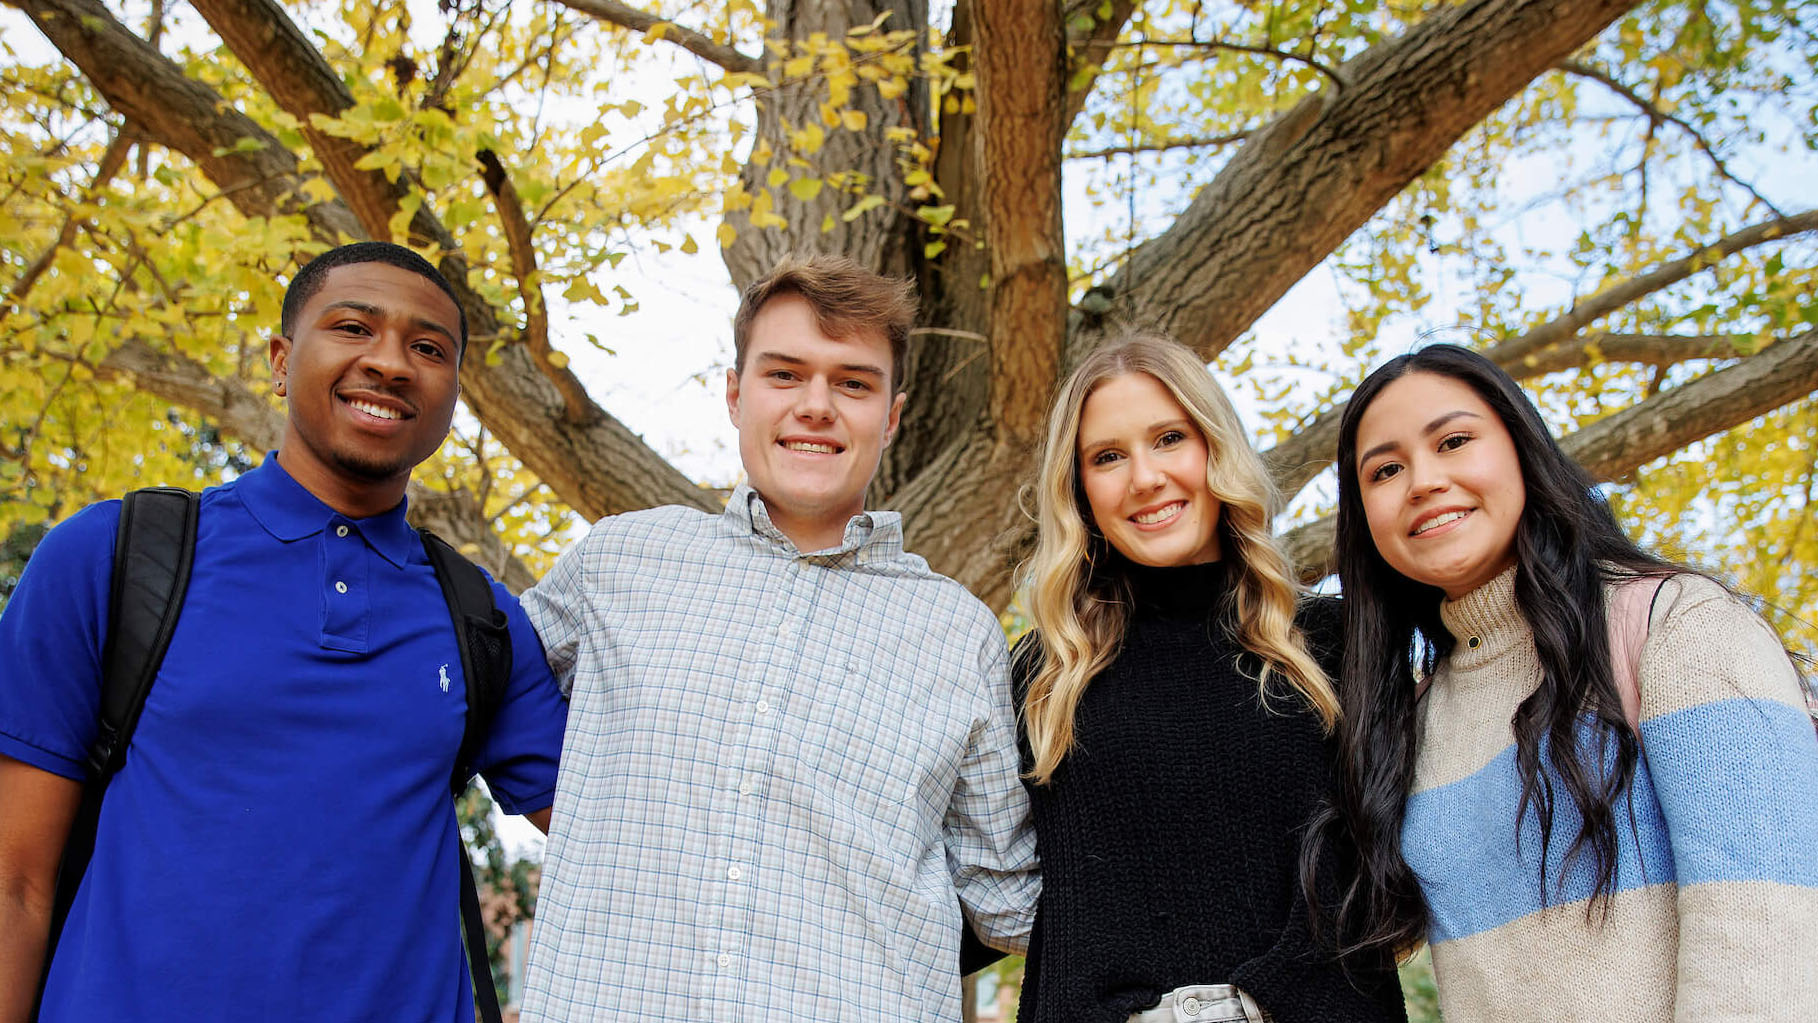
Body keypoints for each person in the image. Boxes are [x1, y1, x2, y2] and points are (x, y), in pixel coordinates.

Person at [0, 242, 568, 1022]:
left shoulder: (483, 618)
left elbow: (629, 832)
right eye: (353, 327)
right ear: (279, 360)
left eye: (429, 348)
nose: (392, 363)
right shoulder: (113, 556)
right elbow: (15, 882)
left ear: (453, 394)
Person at [516, 254, 1038, 1022]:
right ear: (736, 394)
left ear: (891, 414)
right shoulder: (619, 560)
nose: (816, 405)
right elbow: (473, 695)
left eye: (853, 382)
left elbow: (1009, 895)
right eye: (785, 374)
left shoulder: (958, 633)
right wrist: (570, 804)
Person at [1316, 343, 1818, 1020]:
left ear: (1522, 450)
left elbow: (1766, 930)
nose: (1423, 481)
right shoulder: (1416, 715)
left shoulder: (1675, 626)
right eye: (1384, 470)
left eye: (1455, 440)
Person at [1013, 331, 1407, 1023]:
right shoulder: (1042, 675)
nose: (1145, 477)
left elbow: (1397, 865)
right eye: (1108, 456)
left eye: (1170, 438)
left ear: (1215, 447)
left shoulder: (1336, 642)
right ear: (1079, 489)